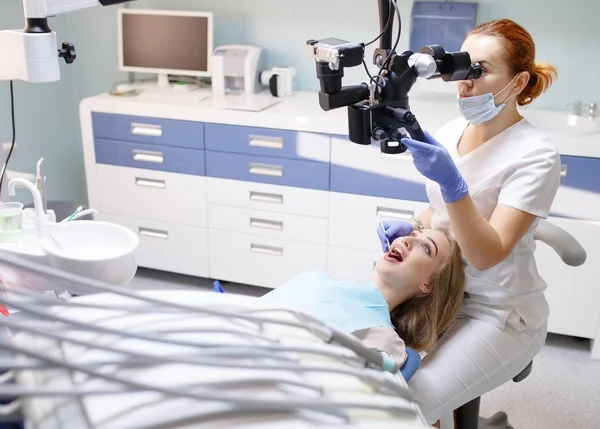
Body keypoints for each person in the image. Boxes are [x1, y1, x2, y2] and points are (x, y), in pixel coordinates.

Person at [377, 19, 561, 427]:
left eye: (480, 70)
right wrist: (412, 226)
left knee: (404, 408)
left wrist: (452, 183)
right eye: (462, 67)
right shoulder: (452, 130)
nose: (464, 83)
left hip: (498, 313)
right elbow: (439, 214)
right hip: (442, 293)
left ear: (518, 82)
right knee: (369, 376)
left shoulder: (536, 155)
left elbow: (486, 252)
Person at [261, 228, 465, 367]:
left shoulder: (384, 340)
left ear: (427, 285)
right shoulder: (321, 279)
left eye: (426, 248)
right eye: (413, 233)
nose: (408, 239)